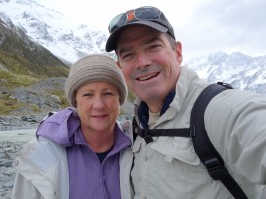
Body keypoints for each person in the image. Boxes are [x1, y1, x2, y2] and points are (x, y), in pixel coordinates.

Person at [105, 6, 266, 199]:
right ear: (119, 67)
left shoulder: (219, 110)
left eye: (153, 46)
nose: (142, 62)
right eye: (128, 55)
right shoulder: (136, 126)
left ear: (178, 53)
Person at [11, 54, 134, 199]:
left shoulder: (139, 148)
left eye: (108, 93)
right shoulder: (41, 155)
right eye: (88, 95)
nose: (99, 105)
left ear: (120, 99)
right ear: (75, 101)